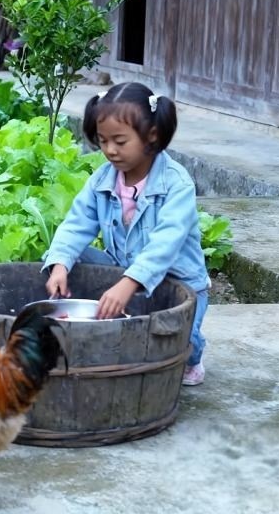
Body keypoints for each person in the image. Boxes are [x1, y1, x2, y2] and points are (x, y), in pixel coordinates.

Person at [42, 83, 210, 386]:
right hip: (121, 269)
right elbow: (77, 223)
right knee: (69, 254)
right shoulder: (102, 180)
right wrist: (60, 264)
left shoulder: (176, 184)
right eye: (103, 140)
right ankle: (93, 313)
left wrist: (129, 283)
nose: (110, 150)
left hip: (180, 282)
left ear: (152, 135)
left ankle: (195, 357)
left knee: (182, 342)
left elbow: (165, 243)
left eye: (120, 141)